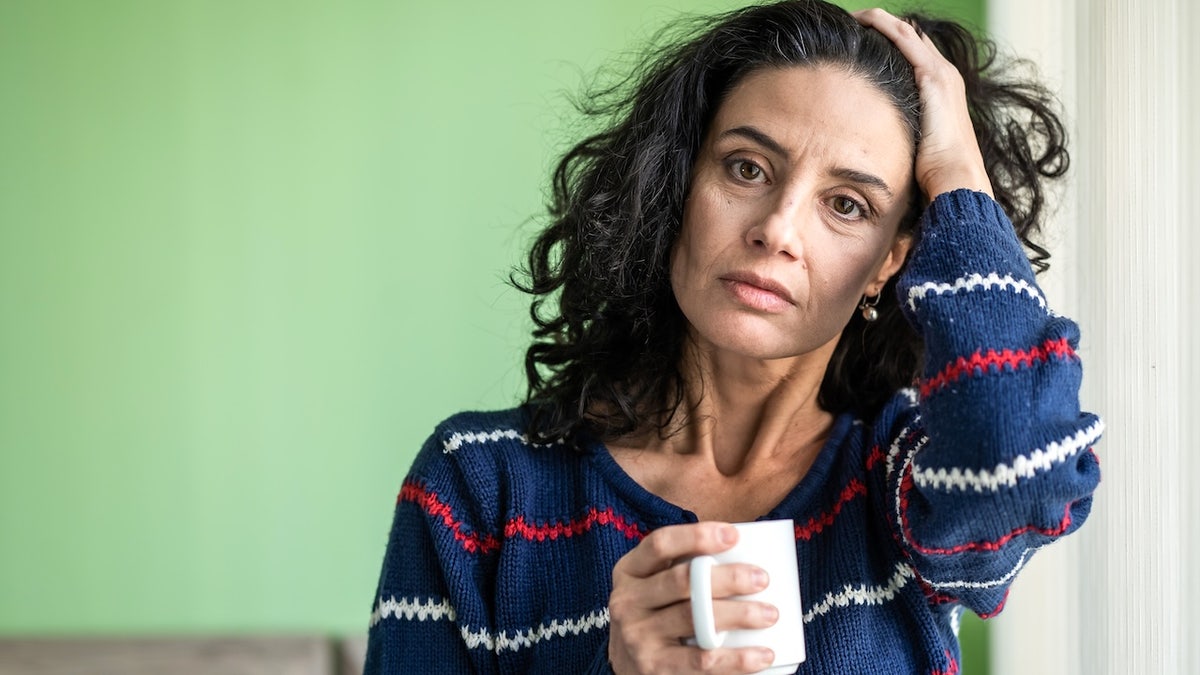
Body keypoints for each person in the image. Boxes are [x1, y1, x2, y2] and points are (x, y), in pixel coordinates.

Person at [363, 1, 1103, 673]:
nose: (777, 228)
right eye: (747, 167)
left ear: (891, 260)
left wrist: (961, 180)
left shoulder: (901, 483)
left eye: (846, 204)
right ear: (677, 184)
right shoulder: (476, 489)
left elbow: (1022, 469)